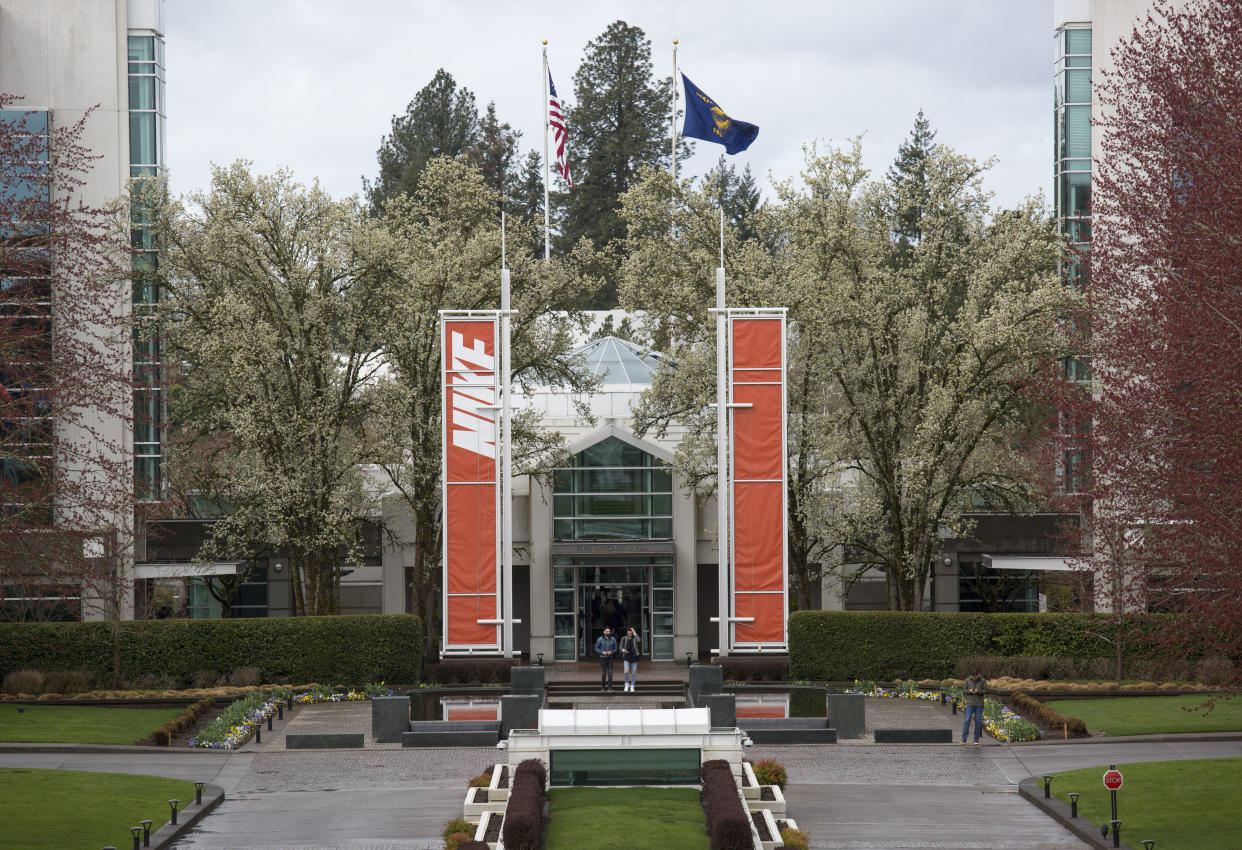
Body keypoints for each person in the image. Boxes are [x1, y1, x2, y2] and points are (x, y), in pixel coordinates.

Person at [961, 669, 987, 744]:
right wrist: (970, 691)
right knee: (967, 720)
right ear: (971, 675)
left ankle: (976, 739)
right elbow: (964, 690)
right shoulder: (967, 680)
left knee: (978, 721)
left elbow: (986, 690)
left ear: (978, 675)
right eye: (973, 677)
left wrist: (978, 691)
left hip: (979, 704)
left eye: (976, 676)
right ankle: (964, 739)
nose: (974, 678)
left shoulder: (983, 680)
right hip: (970, 703)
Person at [594, 627, 618, 692]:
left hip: (610, 658)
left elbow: (616, 649)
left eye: (609, 631)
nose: (608, 632)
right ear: (604, 632)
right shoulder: (600, 639)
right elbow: (596, 648)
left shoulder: (613, 639)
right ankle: (603, 688)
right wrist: (602, 652)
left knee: (610, 673)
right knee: (604, 673)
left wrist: (612, 652)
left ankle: (610, 688)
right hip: (603, 658)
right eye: (607, 631)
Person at [619, 626, 641, 692]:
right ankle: (626, 684)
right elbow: (620, 647)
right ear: (627, 633)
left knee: (633, 673)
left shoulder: (635, 638)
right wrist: (623, 650)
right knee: (626, 671)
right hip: (626, 657)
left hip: (634, 657)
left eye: (631, 633)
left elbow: (639, 640)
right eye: (628, 633)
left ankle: (632, 686)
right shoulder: (624, 638)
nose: (630, 634)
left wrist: (634, 632)